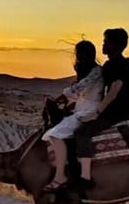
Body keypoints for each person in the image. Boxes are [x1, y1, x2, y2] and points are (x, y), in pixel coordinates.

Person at [75, 28, 129, 185]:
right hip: (118, 112)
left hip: (116, 114)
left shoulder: (115, 68)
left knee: (82, 133)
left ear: (115, 45)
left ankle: (85, 178)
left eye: (106, 42)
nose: (103, 45)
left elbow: (112, 92)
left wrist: (97, 112)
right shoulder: (121, 66)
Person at [42, 40, 103, 192]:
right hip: (83, 107)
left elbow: (80, 88)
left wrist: (59, 98)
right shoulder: (91, 71)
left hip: (89, 109)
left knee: (55, 135)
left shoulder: (96, 72)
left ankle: (60, 176)